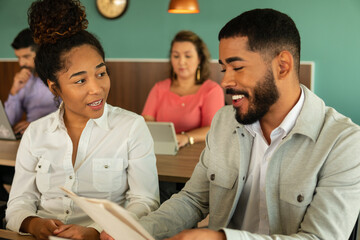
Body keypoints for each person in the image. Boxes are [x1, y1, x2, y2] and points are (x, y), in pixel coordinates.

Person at [102, 8, 360, 240]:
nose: (225, 81)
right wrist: (132, 231)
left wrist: (221, 239)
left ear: (282, 66)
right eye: (224, 69)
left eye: (237, 68)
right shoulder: (225, 122)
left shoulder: (345, 142)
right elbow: (192, 200)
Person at [6, 0, 159, 239]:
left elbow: (145, 202)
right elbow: (19, 202)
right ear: (54, 88)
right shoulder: (35, 133)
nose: (97, 88)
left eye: (101, 73)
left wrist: (96, 232)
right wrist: (33, 224)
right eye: (80, 81)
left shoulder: (131, 127)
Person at [142, 30, 224, 148]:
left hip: (198, 154)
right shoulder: (159, 88)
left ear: (199, 59)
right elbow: (146, 120)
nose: (181, 62)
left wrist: (186, 137)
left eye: (188, 56)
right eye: (176, 56)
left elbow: (214, 129)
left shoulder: (211, 90)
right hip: (162, 151)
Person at [4, 28, 58, 134]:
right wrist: (14, 90)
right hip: (29, 137)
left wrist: (35, 126)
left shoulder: (58, 78)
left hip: (54, 135)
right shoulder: (24, 81)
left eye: (26, 56)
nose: (21, 63)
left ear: (40, 53)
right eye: (18, 57)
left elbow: (70, 115)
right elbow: (9, 121)